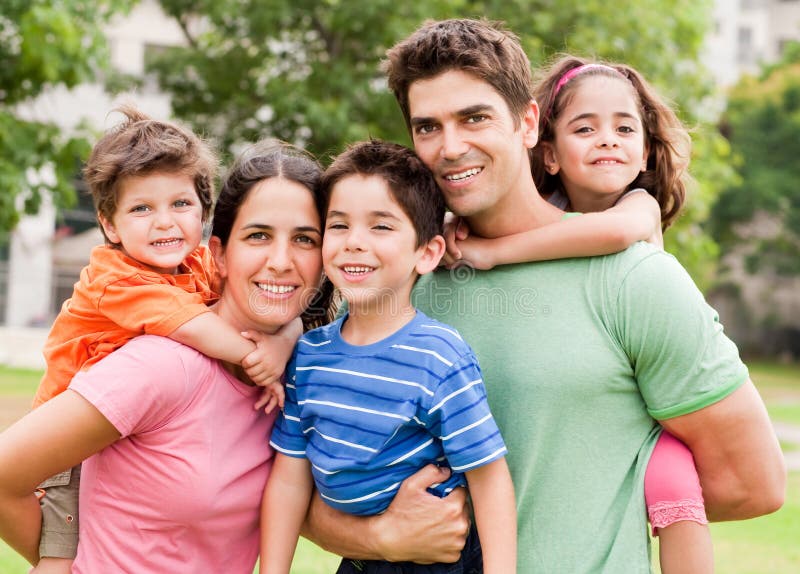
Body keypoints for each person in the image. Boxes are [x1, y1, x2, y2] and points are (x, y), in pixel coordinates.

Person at [299, 18, 786, 573]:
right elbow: (304, 487)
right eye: (428, 127)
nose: (451, 147)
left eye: (475, 118)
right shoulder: (398, 274)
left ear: (528, 124)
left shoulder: (632, 279)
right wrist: (381, 536)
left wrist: (602, 502)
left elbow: (753, 485)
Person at [0, 140, 330, 573]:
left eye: (305, 239)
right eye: (258, 236)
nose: (281, 261)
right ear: (219, 254)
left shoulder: (302, 374)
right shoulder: (160, 364)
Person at [441, 54, 709, 573]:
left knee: (676, 482)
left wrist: (491, 252)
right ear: (549, 155)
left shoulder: (637, 208)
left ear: (646, 153)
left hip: (652, 418)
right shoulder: (550, 213)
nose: (607, 139)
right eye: (585, 128)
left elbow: (604, 235)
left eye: (624, 128)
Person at [260, 140, 515, 574]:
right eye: (339, 226)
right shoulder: (308, 355)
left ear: (428, 252)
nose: (354, 243)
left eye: (380, 227)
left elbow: (490, 482)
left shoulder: (440, 357)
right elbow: (288, 479)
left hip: (439, 563)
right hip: (360, 561)